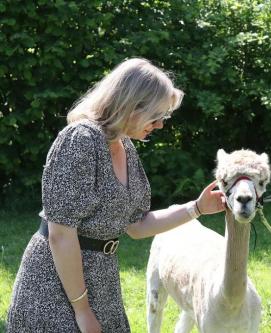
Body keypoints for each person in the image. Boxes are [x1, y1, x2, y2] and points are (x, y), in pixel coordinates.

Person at [7, 58, 226, 332]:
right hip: (56, 287)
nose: (160, 125)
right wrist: (82, 311)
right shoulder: (80, 140)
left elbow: (136, 225)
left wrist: (197, 208)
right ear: (132, 106)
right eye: (157, 116)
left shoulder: (125, 146)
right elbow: (60, 234)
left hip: (102, 282)